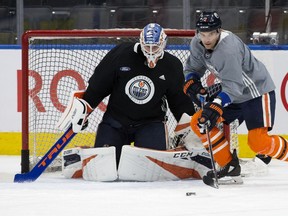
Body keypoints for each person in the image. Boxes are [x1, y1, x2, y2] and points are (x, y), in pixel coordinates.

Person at [61, 23, 196, 165]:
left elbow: (179, 101)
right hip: (116, 121)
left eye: (155, 47)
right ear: (140, 42)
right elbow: (99, 85)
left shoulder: (172, 65)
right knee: (105, 164)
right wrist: (85, 109)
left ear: (163, 44)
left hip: (151, 123)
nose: (150, 51)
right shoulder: (121, 54)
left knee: (149, 166)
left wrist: (191, 127)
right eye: (147, 47)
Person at [183, 11, 287, 184]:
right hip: (232, 92)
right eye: (203, 34)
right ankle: (229, 165)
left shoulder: (228, 49)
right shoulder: (197, 42)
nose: (206, 39)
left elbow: (234, 86)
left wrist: (215, 105)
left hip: (256, 92)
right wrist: (191, 81)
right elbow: (192, 68)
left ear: (218, 31)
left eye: (210, 34)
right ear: (197, 32)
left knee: (258, 143)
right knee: (200, 122)